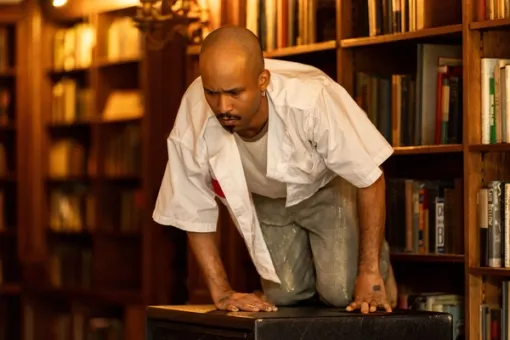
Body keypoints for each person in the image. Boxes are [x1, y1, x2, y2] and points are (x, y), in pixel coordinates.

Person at [152, 25, 398, 314]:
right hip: (267, 199)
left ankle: (382, 279)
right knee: (284, 296)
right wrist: (223, 293)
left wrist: (369, 272)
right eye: (212, 92)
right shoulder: (193, 116)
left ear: (262, 81)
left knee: (342, 293)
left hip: (327, 189)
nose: (222, 106)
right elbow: (192, 207)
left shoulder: (312, 100)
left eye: (234, 92)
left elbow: (371, 177)